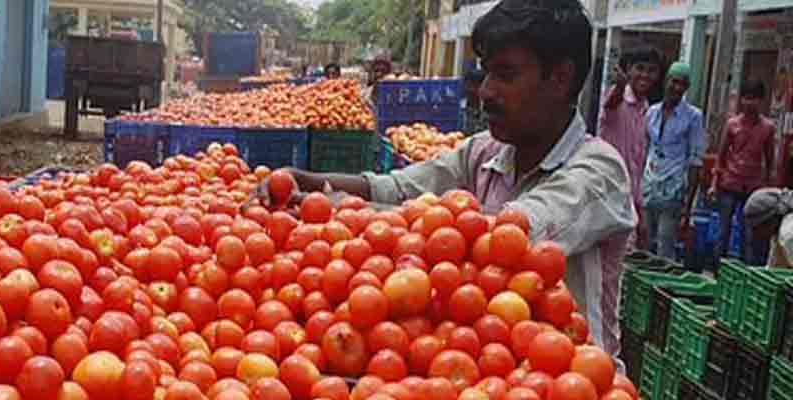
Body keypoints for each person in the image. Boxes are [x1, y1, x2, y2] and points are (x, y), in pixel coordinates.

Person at [258, 0, 635, 355]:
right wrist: (307, 180)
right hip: (492, 373)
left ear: (560, 78)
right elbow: (398, 188)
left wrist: (346, 211)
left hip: (576, 393)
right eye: (486, 72)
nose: (485, 91)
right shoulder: (484, 152)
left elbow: (507, 239)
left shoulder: (599, 172)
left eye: (505, 75)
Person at [599, 45, 662, 249]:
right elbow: (611, 103)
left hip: (629, 202)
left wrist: (640, 211)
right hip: (606, 197)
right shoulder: (618, 99)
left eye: (651, 70)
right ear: (629, 70)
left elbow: (638, 165)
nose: (645, 75)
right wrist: (619, 86)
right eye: (640, 68)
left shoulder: (646, 109)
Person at [642, 62, 706, 261]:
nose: (677, 88)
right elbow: (644, 148)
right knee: (643, 243)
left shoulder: (693, 117)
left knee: (664, 246)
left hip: (673, 190)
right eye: (674, 82)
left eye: (683, 84)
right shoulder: (651, 112)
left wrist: (688, 205)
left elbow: (696, 160)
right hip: (648, 186)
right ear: (666, 81)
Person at [711, 81, 777, 265]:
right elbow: (721, 156)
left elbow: (770, 159)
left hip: (753, 187)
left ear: (761, 101)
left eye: (754, 98)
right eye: (747, 98)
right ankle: (718, 270)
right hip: (729, 183)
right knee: (723, 231)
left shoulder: (768, 128)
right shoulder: (732, 124)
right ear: (741, 100)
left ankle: (745, 271)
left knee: (749, 234)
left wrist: (767, 187)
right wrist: (714, 184)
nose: (750, 103)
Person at [743, 188, 793, 268]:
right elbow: (774, 265)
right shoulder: (777, 232)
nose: (756, 234)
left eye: (756, 228)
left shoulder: (788, 234)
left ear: (768, 221)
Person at [462, 66, 489, 135]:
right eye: (468, 85)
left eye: (474, 86)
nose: (470, 89)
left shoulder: (488, 110)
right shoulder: (462, 105)